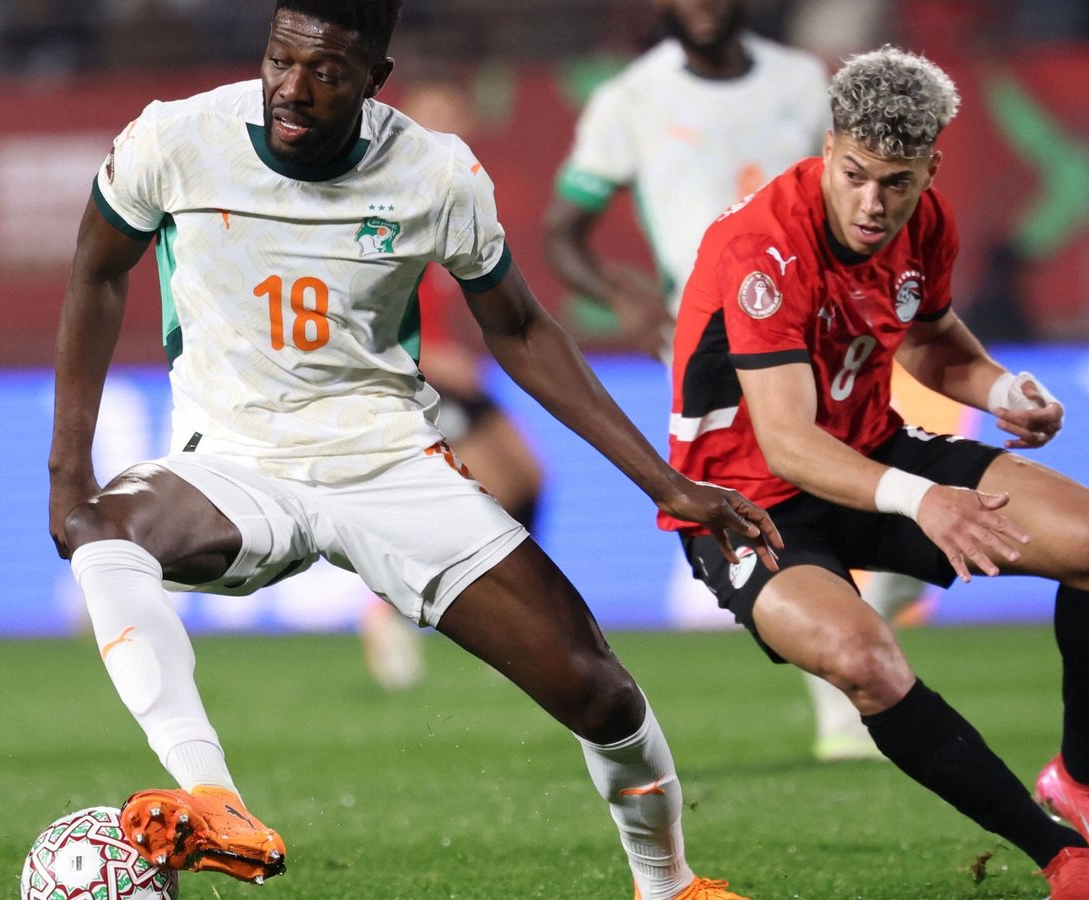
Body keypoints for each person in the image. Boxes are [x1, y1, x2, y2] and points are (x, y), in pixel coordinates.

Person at [46, 2, 781, 896]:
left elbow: (519, 329)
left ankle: (669, 886)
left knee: (603, 695)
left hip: (391, 465)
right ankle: (213, 797)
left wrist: (666, 483)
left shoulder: (435, 173)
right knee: (101, 531)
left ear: (374, 80)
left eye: (327, 73)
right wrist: (66, 470)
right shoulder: (175, 139)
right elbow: (94, 270)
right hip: (233, 463)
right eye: (282, 60)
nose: (294, 89)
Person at [665, 46, 1089, 898]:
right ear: (828, 146)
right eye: (854, 174)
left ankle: (1086, 781)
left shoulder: (924, 222)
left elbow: (926, 339)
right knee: (867, 660)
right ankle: (1060, 855)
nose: (872, 203)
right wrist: (927, 501)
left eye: (897, 182)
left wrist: (1003, 385)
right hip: (746, 503)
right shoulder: (761, 244)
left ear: (931, 166)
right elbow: (785, 441)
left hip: (871, 453)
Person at [543, 0, 919, 761]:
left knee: (892, 507)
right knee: (795, 508)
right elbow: (562, 230)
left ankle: (857, 663)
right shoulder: (631, 99)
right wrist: (621, 293)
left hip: (831, 326)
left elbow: (865, 191)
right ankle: (849, 711)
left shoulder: (807, 81)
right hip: (714, 341)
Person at [358, 77, 547, 692]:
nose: (446, 129)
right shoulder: (382, 198)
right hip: (413, 378)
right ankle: (399, 611)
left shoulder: (445, 194)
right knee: (489, 490)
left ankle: (502, 612)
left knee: (523, 480)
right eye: (434, 116)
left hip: (447, 374)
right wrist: (430, 356)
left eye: (454, 115)